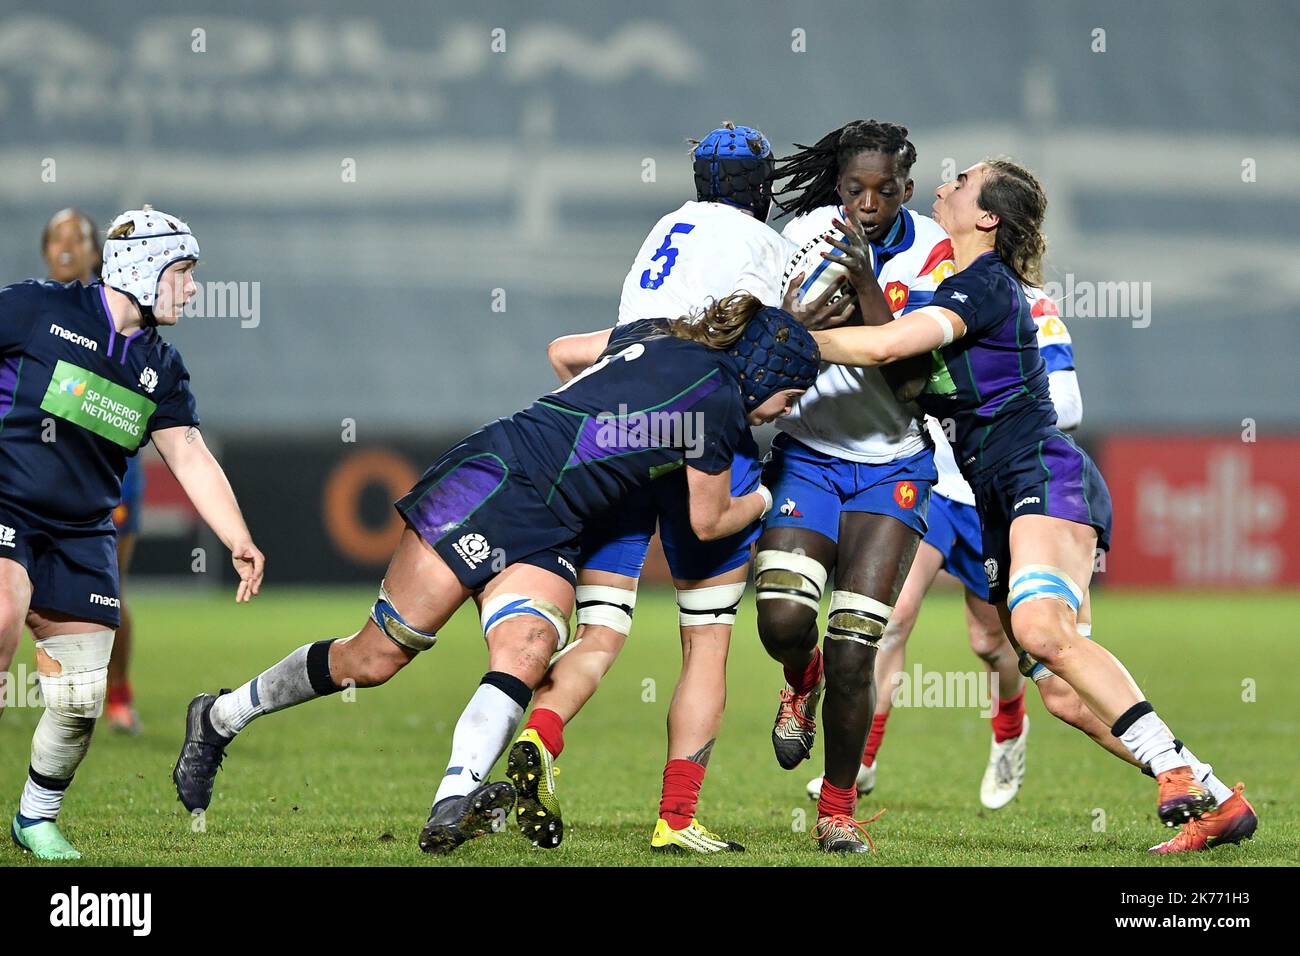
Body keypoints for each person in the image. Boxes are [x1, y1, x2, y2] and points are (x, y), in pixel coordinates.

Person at [173, 294, 818, 856]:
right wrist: (768, 495)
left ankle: (452, 801)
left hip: (553, 519)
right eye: (788, 398)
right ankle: (221, 715)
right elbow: (709, 521)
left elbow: (564, 354)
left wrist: (602, 442)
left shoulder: (658, 333)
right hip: (490, 482)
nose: (782, 413)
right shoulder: (719, 403)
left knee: (529, 649)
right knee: (372, 660)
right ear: (766, 373)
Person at [807, 159, 1257, 851]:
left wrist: (786, 340)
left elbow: (890, 344)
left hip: (1043, 474)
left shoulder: (985, 282)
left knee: (1041, 630)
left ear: (988, 217)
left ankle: (1172, 773)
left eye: (961, 183)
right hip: (996, 499)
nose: (943, 187)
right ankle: (1219, 800)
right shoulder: (953, 287)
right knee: (1064, 694)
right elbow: (896, 366)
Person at [507, 123, 842, 855]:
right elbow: (778, 342)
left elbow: (573, 355)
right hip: (708, 438)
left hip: (624, 433)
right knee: (705, 644)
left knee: (599, 632)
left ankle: (540, 735)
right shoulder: (765, 246)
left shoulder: (664, 229)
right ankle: (677, 817)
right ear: (762, 189)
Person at [2, 207, 265, 860]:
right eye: (184, 272)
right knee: (1, 612)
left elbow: (190, 455)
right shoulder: (36, 309)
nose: (194, 289)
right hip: (7, 507)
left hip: (82, 532)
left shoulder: (162, 368)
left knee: (81, 699)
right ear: (144, 268)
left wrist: (238, 537)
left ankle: (35, 817)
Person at [752, 120, 952, 852]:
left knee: (854, 647)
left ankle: (836, 811)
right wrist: (792, 323)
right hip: (809, 454)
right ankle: (797, 677)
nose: (869, 204)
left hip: (893, 464)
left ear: (907, 188)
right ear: (837, 187)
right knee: (781, 621)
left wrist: (866, 282)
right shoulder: (802, 237)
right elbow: (765, 342)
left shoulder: (933, 251)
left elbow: (910, 380)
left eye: (885, 190)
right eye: (855, 189)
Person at [808, 289, 1087, 809]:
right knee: (891, 619)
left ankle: (1009, 730)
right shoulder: (925, 290)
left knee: (991, 642)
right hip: (931, 484)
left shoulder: (1031, 304)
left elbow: (1069, 405)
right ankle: (862, 760)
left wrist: (980, 397)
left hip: (992, 491)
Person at [39, 208, 144, 735]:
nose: (67, 245)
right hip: (38, 469)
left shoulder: (116, 313)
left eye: (77, 237)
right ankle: (52, 693)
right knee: (23, 585)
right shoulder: (31, 308)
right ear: (44, 250)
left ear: (94, 253)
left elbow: (135, 389)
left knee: (108, 589)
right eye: (57, 237)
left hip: (109, 470)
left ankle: (119, 692)